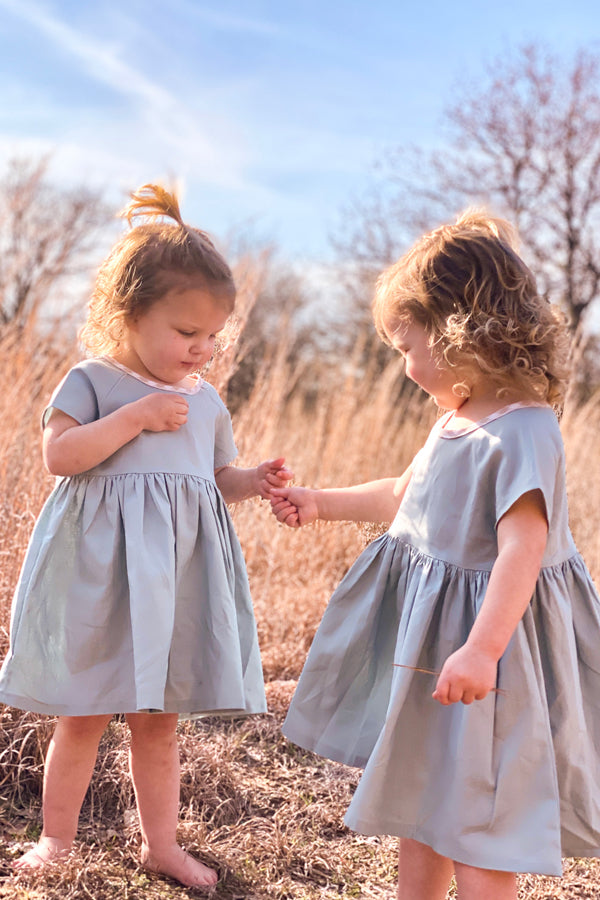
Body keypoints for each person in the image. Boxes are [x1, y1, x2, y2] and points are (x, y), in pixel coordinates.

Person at [270, 211, 600, 900]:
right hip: (438, 647)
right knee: (422, 796)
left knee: (479, 816)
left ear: (461, 331)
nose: (404, 366)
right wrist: (322, 502)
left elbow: (524, 545)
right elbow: (404, 495)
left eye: (405, 346)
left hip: (493, 654)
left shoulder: (525, 430)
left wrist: (482, 649)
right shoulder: (455, 420)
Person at [0, 184, 292, 888]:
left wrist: (252, 480)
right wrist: (134, 418)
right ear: (130, 314)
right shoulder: (94, 380)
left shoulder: (207, 401)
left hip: (173, 580)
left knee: (159, 721)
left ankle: (159, 845)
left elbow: (209, 477)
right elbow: (60, 457)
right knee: (85, 714)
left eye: (212, 335)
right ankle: (57, 841)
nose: (202, 348)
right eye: (185, 331)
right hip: (101, 579)